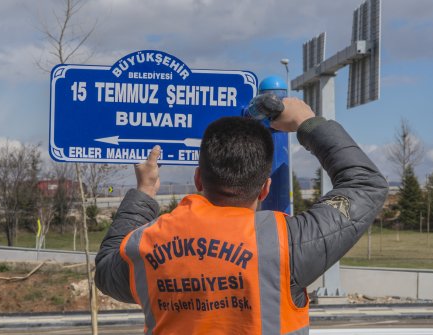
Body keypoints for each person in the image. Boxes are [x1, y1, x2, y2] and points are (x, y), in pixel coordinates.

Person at [95, 97, 388, 335]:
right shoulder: (287, 245)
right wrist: (306, 122)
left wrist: (144, 192)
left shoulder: (147, 244)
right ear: (265, 188)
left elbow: (107, 269)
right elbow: (366, 185)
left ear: (199, 179)